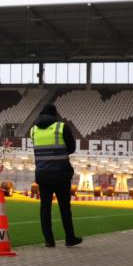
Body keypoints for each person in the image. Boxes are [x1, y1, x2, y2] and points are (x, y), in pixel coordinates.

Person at [30, 104, 83, 247]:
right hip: (61, 174)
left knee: (45, 208)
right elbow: (71, 148)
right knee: (65, 207)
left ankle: (49, 240)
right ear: (54, 115)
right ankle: (69, 238)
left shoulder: (33, 130)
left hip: (43, 175)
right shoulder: (61, 127)